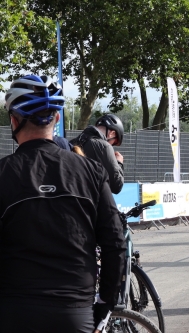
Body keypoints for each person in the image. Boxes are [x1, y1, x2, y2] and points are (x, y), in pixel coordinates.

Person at [0, 75, 126, 332]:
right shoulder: (91, 171)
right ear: (57, 118)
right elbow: (115, 243)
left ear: (14, 121)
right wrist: (105, 303)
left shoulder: (3, 174)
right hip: (75, 312)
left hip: (15, 313)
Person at [70, 113, 125, 194]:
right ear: (112, 133)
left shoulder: (71, 143)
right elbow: (116, 186)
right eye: (114, 142)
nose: (112, 145)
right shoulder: (104, 146)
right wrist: (119, 163)